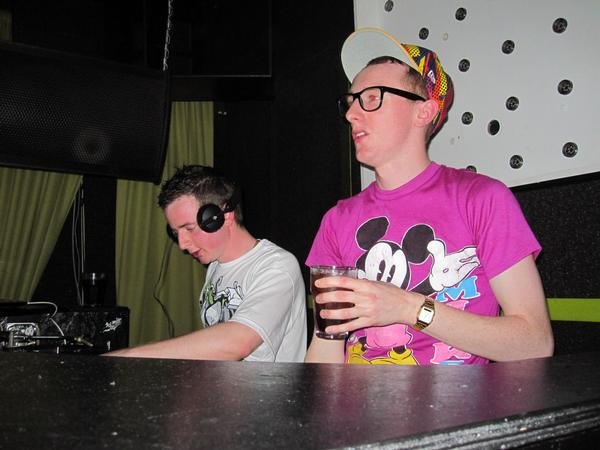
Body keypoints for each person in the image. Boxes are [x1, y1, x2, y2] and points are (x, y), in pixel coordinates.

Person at [305, 27, 554, 365]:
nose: (351, 114)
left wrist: (408, 307)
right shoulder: (337, 220)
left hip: (456, 400)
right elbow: (326, 349)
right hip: (359, 399)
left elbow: (535, 342)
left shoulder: (482, 199)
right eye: (350, 101)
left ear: (423, 112)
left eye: (372, 98)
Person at [109, 165, 307, 362]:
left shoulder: (277, 267)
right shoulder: (215, 265)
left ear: (224, 216)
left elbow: (238, 343)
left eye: (189, 228)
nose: (182, 244)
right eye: (176, 233)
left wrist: (126, 356)